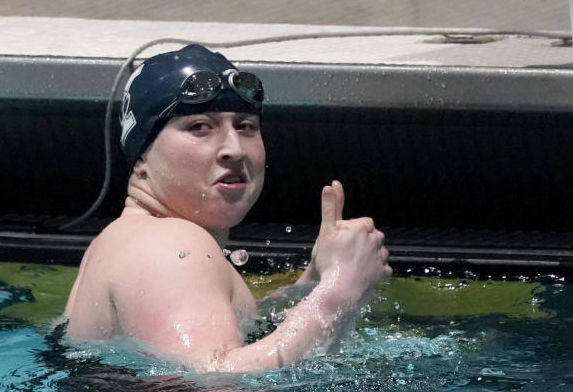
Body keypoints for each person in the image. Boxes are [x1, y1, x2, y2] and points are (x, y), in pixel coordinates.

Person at [62, 44, 390, 372]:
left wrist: (313, 283)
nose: (234, 149)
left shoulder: (129, 240)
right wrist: (343, 287)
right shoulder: (169, 247)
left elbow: (198, 333)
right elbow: (214, 383)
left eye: (245, 126)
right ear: (142, 157)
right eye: (200, 127)